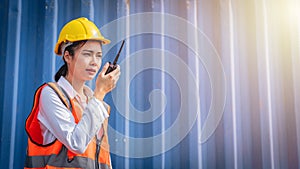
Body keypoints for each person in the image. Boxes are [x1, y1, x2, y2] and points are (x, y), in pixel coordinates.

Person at [24, 17, 120, 169]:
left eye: (99, 55)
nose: (95, 62)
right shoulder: (51, 94)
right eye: (87, 54)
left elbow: (102, 158)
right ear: (68, 56)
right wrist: (100, 92)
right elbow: (77, 144)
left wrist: (98, 97)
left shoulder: (94, 102)